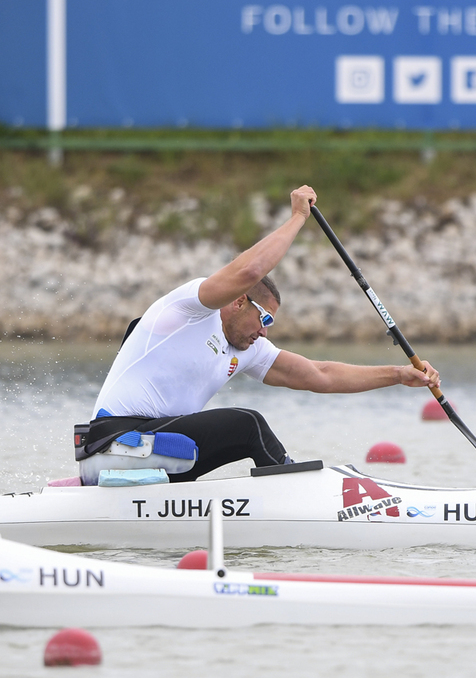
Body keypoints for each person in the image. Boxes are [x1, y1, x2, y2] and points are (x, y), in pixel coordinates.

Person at [85, 186, 440, 482]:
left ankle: (264, 500)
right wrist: (299, 218)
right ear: (239, 302)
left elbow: (321, 375)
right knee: (248, 424)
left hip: (153, 451)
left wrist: (397, 375)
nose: (265, 333)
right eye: (265, 320)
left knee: (242, 440)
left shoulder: (246, 349)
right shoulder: (191, 309)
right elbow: (250, 269)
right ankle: (298, 498)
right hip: (115, 443)